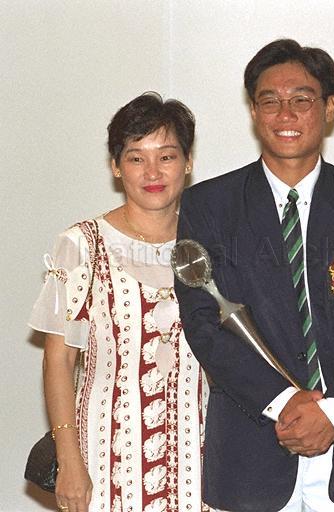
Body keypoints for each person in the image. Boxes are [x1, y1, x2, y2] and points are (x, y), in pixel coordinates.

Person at [174, 39, 334, 512]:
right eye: (270, 101)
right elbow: (203, 321)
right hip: (249, 447)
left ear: (329, 106)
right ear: (254, 110)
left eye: (301, 99)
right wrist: (284, 402)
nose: (285, 114)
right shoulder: (208, 206)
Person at [28, 92, 207, 512]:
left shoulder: (208, 246)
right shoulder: (82, 245)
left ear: (188, 162)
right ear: (115, 166)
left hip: (196, 459)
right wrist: (70, 461)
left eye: (166, 156)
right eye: (135, 157)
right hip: (105, 460)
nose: (152, 172)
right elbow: (58, 361)